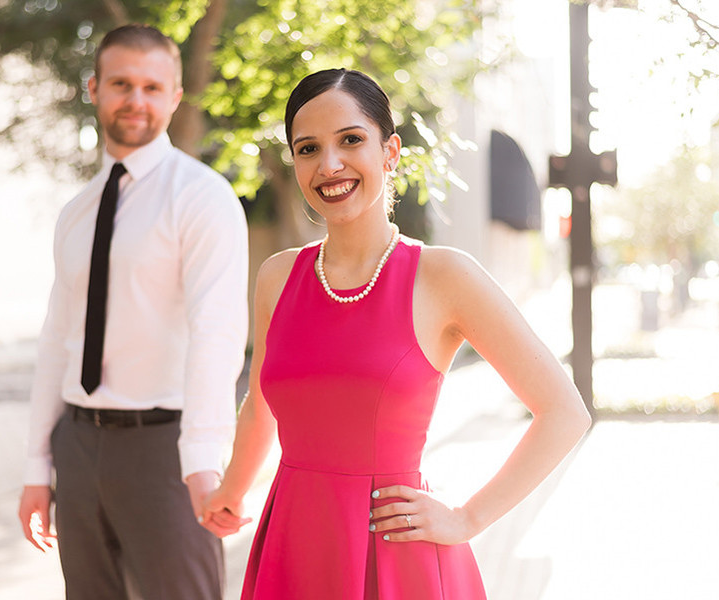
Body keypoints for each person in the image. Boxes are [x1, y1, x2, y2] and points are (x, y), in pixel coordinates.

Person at [201, 68, 592, 599]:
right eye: (308, 148)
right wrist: (231, 491)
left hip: (393, 553)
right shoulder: (277, 275)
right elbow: (261, 406)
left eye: (351, 140)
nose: (329, 164)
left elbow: (565, 412)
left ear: (390, 152)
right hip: (292, 545)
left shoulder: (443, 275)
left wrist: (467, 517)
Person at [17, 24, 249, 600]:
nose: (135, 100)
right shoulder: (76, 211)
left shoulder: (201, 197)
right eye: (121, 83)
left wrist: (201, 461)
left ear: (174, 97)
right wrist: (35, 468)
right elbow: (57, 340)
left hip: (163, 450)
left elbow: (217, 332)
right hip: (78, 444)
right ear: (94, 89)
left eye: (152, 86)